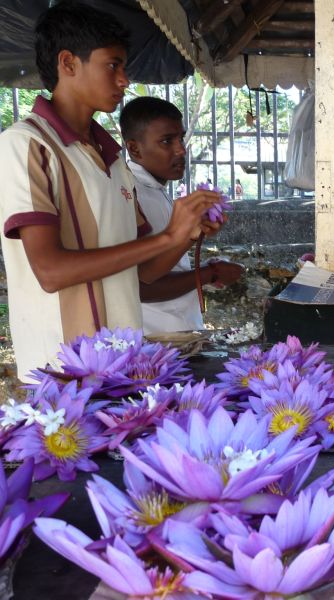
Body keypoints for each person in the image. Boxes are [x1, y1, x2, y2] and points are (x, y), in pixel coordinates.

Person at [0, 1, 221, 379]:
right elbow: (50, 271)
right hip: (63, 373)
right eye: (112, 65)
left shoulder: (113, 159)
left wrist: (184, 235)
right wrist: (166, 234)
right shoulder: (26, 144)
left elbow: (145, 274)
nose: (124, 80)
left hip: (125, 366)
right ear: (68, 63)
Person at [120, 97, 244, 334]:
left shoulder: (155, 191)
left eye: (181, 138)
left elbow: (164, 263)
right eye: (167, 141)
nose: (180, 149)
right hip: (157, 336)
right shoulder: (133, 194)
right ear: (134, 148)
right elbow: (140, 285)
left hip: (176, 330)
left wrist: (195, 240)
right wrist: (209, 273)